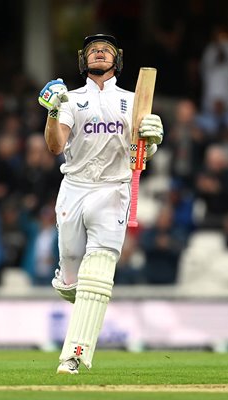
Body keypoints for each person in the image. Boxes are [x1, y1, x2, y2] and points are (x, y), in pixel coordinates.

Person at [38, 34, 164, 374]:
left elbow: (140, 152)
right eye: (93, 49)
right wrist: (52, 112)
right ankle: (69, 285)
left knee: (98, 275)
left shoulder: (133, 100)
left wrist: (151, 141)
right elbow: (54, 146)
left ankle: (73, 355)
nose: (99, 51)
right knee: (72, 279)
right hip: (74, 188)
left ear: (117, 60)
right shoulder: (70, 99)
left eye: (106, 49)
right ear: (83, 60)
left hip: (114, 189)